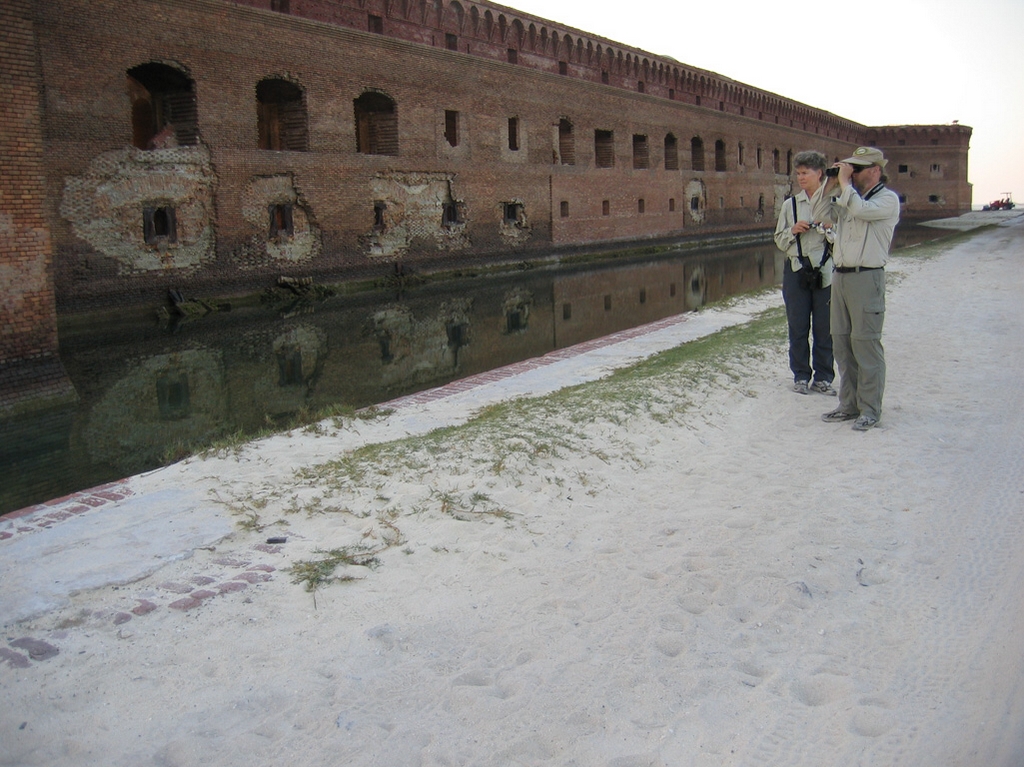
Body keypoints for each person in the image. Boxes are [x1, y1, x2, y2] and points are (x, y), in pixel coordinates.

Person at [813, 146, 900, 431]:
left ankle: (870, 409)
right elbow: (819, 214)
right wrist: (830, 183)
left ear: (876, 170)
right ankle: (848, 404)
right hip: (841, 277)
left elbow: (861, 211)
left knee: (866, 344)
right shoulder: (848, 196)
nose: (853, 173)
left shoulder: (886, 200)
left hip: (867, 278)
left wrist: (846, 186)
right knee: (842, 342)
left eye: (858, 168)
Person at [774, 151, 836, 396]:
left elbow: (844, 239)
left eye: (805, 173)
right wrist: (793, 231)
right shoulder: (790, 205)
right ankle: (800, 375)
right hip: (796, 271)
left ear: (819, 173)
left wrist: (827, 229)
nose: (800, 178)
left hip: (826, 272)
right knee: (798, 327)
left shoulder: (834, 203)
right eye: (798, 173)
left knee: (825, 328)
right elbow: (779, 239)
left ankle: (823, 377)